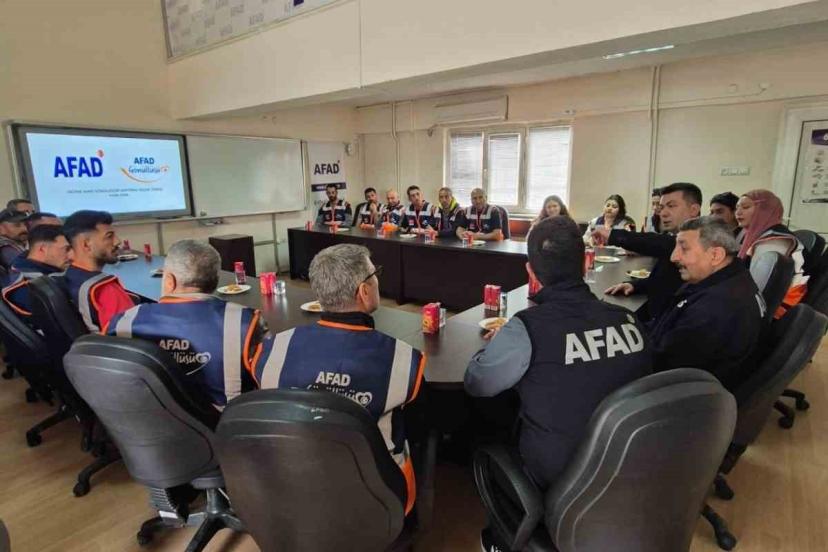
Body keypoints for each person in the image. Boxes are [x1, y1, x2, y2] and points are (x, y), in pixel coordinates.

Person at [464, 216, 652, 489]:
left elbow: (477, 382)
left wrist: (498, 344)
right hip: (629, 467)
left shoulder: (528, 328)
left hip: (561, 479)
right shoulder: (630, 321)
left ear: (531, 272)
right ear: (585, 263)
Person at [256, 244, 425, 514]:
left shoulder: (272, 349)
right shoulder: (403, 358)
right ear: (364, 291)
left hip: (293, 478)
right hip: (376, 493)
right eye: (375, 274)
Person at [105, 240, 262, 409]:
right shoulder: (246, 322)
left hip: (146, 418)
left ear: (169, 281)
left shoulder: (123, 322)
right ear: (215, 281)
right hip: (224, 420)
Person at [648, 217, 764, 391]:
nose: (673, 257)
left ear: (715, 255)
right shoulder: (732, 279)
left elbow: (662, 364)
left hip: (686, 392)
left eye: (684, 248)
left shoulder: (715, 308)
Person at [599, 182, 702, 322]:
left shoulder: (699, 241)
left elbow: (655, 242)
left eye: (671, 206)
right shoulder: (673, 238)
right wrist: (635, 285)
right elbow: (666, 279)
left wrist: (611, 234)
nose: (663, 213)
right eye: (662, 207)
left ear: (694, 209)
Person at [735, 189, 809, 316]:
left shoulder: (774, 240)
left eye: (745, 207)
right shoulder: (761, 235)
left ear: (765, 210)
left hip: (777, 309)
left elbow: (758, 287)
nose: (738, 212)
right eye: (737, 208)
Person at [61, 210, 137, 332]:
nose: (118, 241)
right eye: (109, 236)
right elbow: (131, 334)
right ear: (86, 244)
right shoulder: (106, 289)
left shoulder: (69, 276)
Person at [2, 225, 73, 320]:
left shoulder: (26, 269)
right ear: (42, 249)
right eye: (66, 249)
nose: (71, 255)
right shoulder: (26, 288)